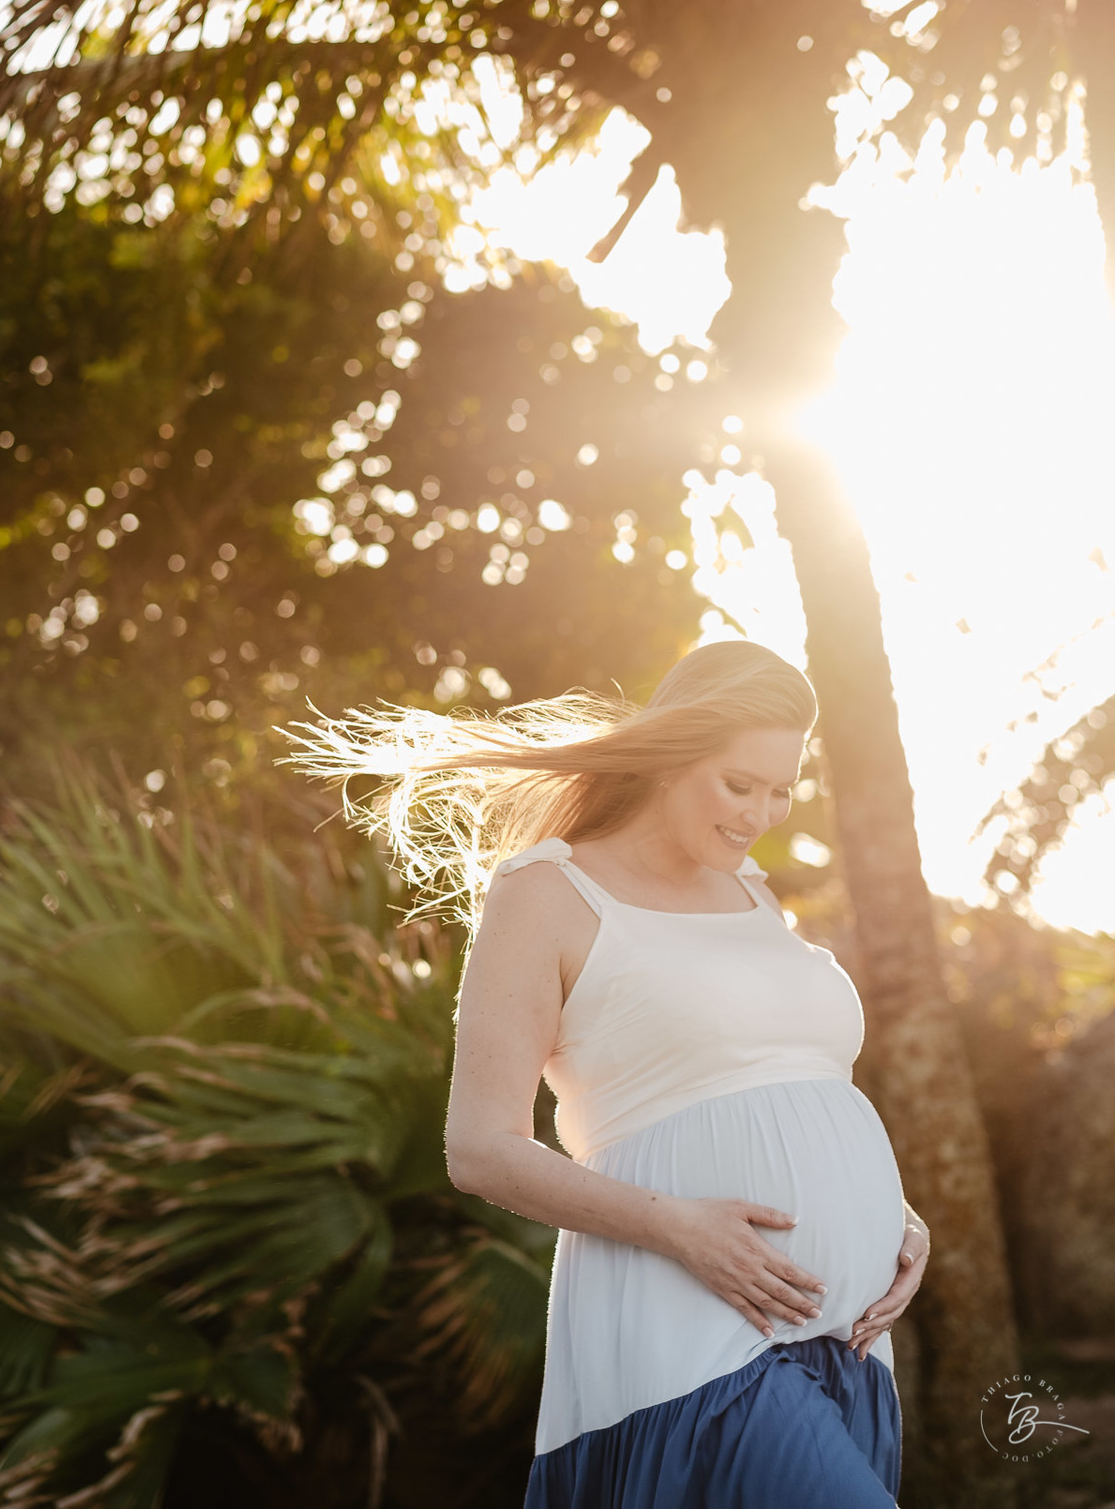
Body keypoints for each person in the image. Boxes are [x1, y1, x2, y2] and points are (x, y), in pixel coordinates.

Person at [283, 639, 930, 1508]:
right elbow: (480, 1149)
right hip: (691, 1336)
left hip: (845, 1341)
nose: (762, 814)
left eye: (782, 790)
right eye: (740, 785)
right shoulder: (546, 894)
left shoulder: (752, 891)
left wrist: (893, 1214)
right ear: (670, 755)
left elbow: (793, 1079)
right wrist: (680, 1228)